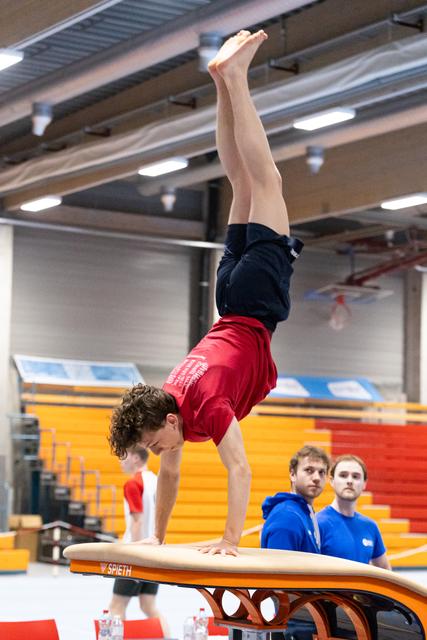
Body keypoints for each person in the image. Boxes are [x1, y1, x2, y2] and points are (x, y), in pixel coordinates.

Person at [108, 29, 303, 557]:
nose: (157, 453)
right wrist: (160, 536)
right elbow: (169, 477)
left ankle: (233, 79)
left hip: (254, 303)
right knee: (241, 185)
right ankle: (219, 79)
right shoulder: (171, 395)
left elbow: (240, 467)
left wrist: (229, 540)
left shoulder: (205, 407)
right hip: (229, 296)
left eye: (153, 443)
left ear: (169, 419)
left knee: (266, 183)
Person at [109, 447, 166, 624]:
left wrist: (134, 553)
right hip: (155, 553)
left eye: (123, 456)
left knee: (116, 606)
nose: (120, 460)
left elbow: (137, 521)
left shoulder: (133, 484)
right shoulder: (158, 481)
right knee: (148, 605)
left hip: (136, 554)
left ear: (135, 458)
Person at [317, 454, 391, 569]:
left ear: (364, 484)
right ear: (331, 481)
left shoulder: (370, 526)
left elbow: (386, 572)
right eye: (343, 475)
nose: (349, 481)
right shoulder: (317, 523)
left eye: (356, 476)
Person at [261, 446, 330, 552]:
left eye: (321, 472)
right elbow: (279, 567)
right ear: (292, 474)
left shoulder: (304, 512)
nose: (317, 478)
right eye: (309, 470)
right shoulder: (286, 516)